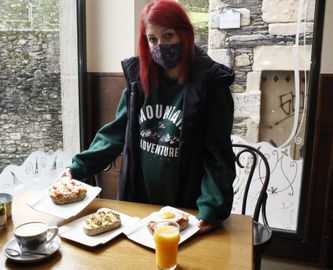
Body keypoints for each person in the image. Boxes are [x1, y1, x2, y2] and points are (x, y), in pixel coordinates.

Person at [61, 0, 236, 234]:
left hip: (187, 210)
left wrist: (211, 209)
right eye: (152, 39)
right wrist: (77, 169)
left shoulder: (211, 85)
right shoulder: (139, 82)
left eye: (168, 35)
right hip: (139, 205)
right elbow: (115, 134)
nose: (161, 45)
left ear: (184, 34)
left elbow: (218, 156)